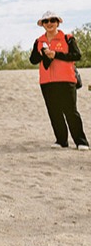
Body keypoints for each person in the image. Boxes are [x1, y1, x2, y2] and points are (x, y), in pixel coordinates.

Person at [29, 11, 88, 150]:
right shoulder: (39, 41)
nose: (49, 23)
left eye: (52, 20)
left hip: (66, 80)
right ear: (42, 24)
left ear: (58, 22)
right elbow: (33, 60)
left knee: (71, 111)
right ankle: (61, 141)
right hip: (47, 82)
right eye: (46, 21)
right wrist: (42, 53)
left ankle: (81, 142)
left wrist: (56, 54)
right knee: (54, 112)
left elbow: (77, 55)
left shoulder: (67, 38)